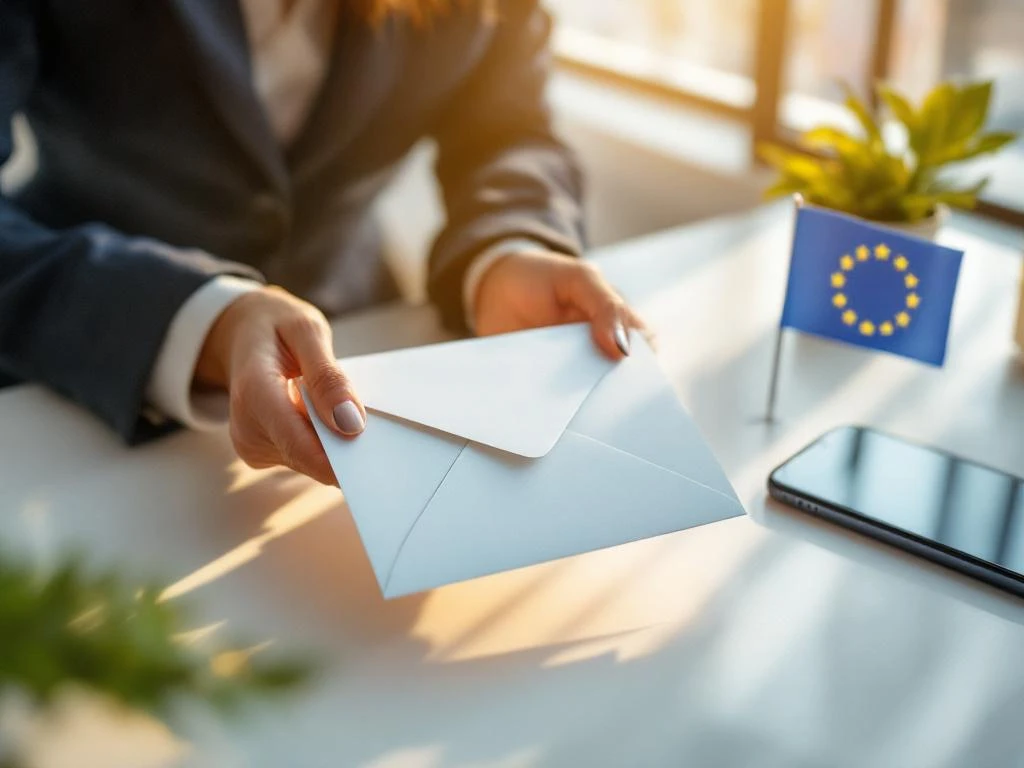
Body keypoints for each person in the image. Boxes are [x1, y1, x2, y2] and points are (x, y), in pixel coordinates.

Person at [0, 0, 646, 485]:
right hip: (63, 375)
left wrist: (507, 249)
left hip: (369, 352)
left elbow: (508, 132)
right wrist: (198, 317)